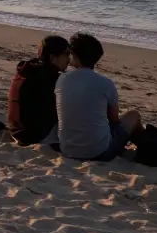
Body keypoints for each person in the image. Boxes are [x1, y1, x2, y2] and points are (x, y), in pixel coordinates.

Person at [55, 33, 143, 162]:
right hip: (98, 152)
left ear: (76, 56)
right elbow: (114, 119)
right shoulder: (105, 83)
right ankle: (146, 148)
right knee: (134, 115)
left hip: (67, 148)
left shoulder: (62, 79)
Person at [8, 35, 70, 146]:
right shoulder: (51, 79)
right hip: (34, 136)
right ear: (52, 57)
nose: (69, 60)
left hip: (15, 130)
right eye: (66, 54)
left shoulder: (27, 70)